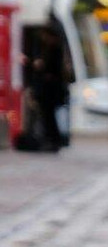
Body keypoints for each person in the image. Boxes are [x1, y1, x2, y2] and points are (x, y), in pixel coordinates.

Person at [29, 22, 69, 152]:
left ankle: (53, 141)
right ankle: (52, 140)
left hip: (50, 91)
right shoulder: (55, 48)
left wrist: (41, 66)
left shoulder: (55, 50)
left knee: (49, 116)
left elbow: (53, 71)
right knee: (49, 116)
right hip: (51, 90)